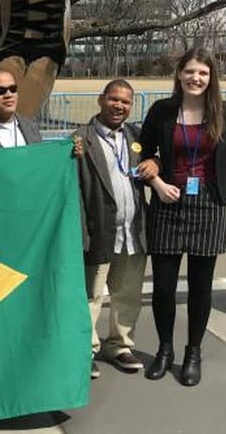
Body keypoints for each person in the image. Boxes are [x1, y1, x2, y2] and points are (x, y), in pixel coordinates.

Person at [137, 47, 226, 386]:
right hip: (167, 203)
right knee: (163, 286)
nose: (195, 78)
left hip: (209, 207)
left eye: (202, 73)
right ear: (179, 74)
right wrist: (157, 182)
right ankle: (165, 350)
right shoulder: (162, 111)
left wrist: (216, 187)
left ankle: (193, 352)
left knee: (201, 286)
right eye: (190, 71)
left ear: (211, 77)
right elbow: (141, 151)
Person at [73, 79, 149, 379]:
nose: (119, 106)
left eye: (126, 102)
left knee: (127, 294)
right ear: (101, 100)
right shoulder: (80, 139)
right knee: (91, 296)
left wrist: (155, 163)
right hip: (99, 231)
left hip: (133, 231)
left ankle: (119, 345)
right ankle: (86, 349)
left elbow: (155, 161)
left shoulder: (137, 137)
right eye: (114, 99)